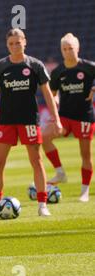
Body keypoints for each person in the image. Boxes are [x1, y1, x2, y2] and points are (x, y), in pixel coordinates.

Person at [0, 28, 63, 220]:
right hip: (6, 121)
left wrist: (55, 118)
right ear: (6, 45)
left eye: (18, 42)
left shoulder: (35, 65)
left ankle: (42, 205)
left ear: (25, 42)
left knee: (37, 161)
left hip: (29, 120)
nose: (15, 46)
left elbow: (47, 94)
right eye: (11, 44)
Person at [42, 33, 95, 202]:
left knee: (85, 155)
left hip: (84, 116)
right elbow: (54, 94)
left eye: (70, 48)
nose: (67, 52)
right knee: (44, 137)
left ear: (77, 48)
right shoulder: (58, 72)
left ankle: (84, 191)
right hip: (64, 116)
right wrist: (55, 101)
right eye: (64, 49)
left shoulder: (89, 67)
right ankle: (60, 172)